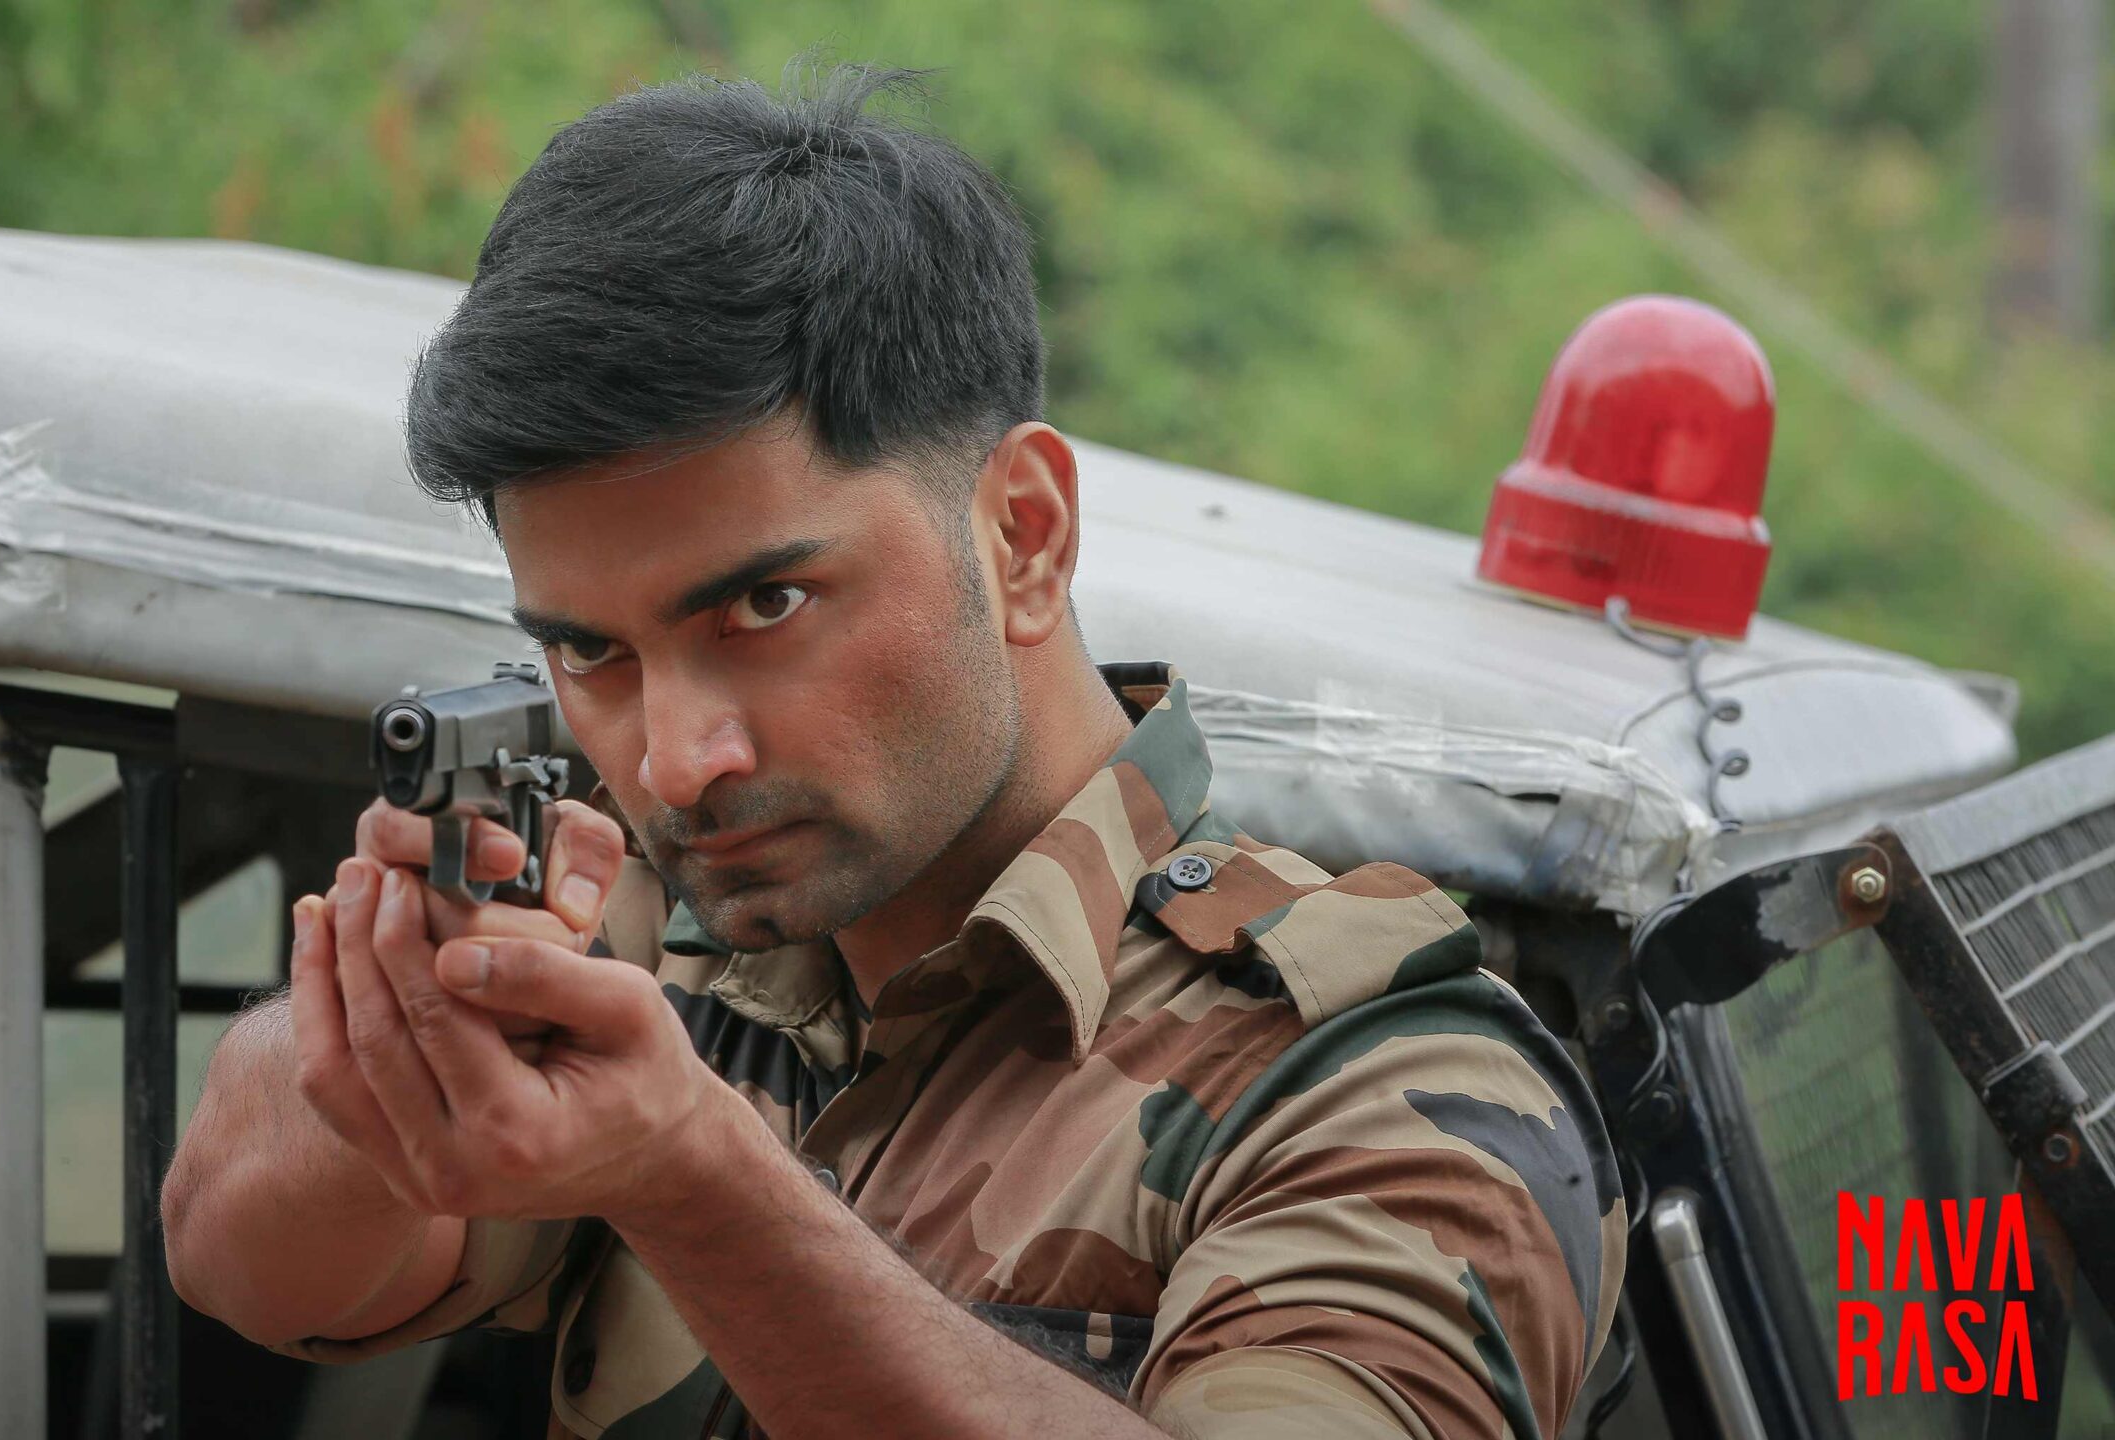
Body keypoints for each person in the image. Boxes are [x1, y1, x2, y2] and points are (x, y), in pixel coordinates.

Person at [162, 61, 1624, 1440]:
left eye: (764, 606)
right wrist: (393, 1011)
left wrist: (694, 1180)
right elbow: (236, 1257)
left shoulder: (1378, 1080)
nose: (673, 761)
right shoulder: (642, 943)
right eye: (593, 653)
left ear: (1023, 535)